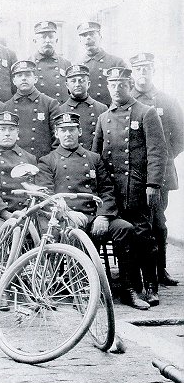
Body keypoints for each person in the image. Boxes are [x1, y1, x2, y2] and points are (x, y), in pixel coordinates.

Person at [36, 112, 150, 309]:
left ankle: (128, 289)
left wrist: (103, 216)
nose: (68, 134)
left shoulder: (94, 158)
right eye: (63, 130)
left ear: (79, 131)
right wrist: (66, 213)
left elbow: (107, 189)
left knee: (125, 229)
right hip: (67, 217)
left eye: (71, 130)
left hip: (94, 215)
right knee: (65, 233)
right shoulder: (48, 161)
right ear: (57, 133)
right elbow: (46, 193)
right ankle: (77, 287)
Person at [92, 67, 167, 306]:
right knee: (125, 237)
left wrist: (153, 183)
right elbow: (96, 154)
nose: (116, 89)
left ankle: (151, 286)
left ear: (129, 85)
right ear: (107, 86)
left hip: (136, 186)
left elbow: (157, 151)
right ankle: (131, 286)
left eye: (122, 84)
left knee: (144, 236)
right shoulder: (104, 117)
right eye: (112, 84)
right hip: (112, 188)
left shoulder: (146, 112)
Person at [130, 52, 184, 286]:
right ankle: (135, 274)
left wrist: (162, 159)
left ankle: (160, 270)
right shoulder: (127, 99)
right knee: (135, 223)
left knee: (159, 222)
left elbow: (181, 136)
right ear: (132, 73)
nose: (143, 73)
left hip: (160, 173)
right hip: (132, 173)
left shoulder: (166, 100)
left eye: (147, 68)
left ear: (153, 71)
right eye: (138, 69)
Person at [3, 60, 60, 159]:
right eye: (19, 75)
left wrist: (50, 163)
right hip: (14, 162)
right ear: (14, 81)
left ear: (36, 79)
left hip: (42, 163)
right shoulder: (6, 107)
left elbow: (57, 139)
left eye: (28, 75)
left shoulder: (49, 104)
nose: (24, 78)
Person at [77, 21, 127, 107]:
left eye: (92, 34)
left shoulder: (116, 62)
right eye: (84, 35)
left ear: (100, 37)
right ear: (80, 40)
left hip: (111, 111)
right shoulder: (78, 66)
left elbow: (128, 88)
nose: (88, 38)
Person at [60, 64, 107, 149]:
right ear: (67, 85)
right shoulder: (60, 110)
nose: (77, 84)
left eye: (81, 80)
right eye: (73, 81)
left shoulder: (102, 109)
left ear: (88, 84)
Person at [29, 21, 71, 104]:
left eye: (51, 37)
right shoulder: (29, 64)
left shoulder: (66, 64)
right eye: (43, 37)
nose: (47, 41)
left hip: (60, 112)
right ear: (35, 41)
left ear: (56, 40)